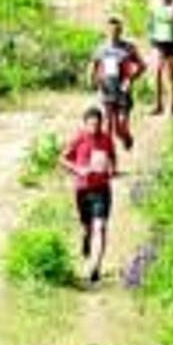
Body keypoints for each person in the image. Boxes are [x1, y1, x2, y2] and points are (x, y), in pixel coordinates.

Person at [59, 106, 116, 284]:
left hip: (102, 189)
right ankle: (86, 237)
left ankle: (95, 267)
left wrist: (111, 169)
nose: (95, 128)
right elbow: (62, 159)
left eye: (98, 124)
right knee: (88, 227)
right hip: (82, 190)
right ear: (85, 124)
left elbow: (113, 158)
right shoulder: (79, 138)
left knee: (100, 227)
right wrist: (78, 169)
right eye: (91, 124)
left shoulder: (107, 139)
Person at [90, 17, 146, 150]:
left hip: (122, 91)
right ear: (106, 31)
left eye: (116, 30)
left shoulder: (128, 48)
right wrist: (93, 81)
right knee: (108, 125)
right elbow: (93, 66)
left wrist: (130, 79)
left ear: (121, 31)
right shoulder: (101, 48)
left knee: (120, 126)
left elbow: (142, 66)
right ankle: (108, 155)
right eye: (111, 30)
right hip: (107, 89)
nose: (114, 33)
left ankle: (126, 137)